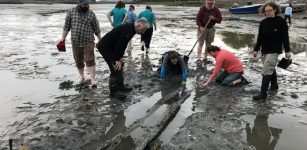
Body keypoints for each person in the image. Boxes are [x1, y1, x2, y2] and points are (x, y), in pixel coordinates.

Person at [97, 18, 149, 100]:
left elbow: (123, 44)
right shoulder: (129, 29)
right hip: (105, 47)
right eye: (143, 30)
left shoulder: (132, 29)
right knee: (115, 67)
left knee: (121, 64)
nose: (143, 32)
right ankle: (113, 93)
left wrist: (120, 57)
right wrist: (117, 59)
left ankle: (121, 86)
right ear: (138, 25)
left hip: (112, 47)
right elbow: (120, 44)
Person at [252, 2, 291, 101]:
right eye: (266, 11)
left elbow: (285, 37)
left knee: (266, 71)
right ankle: (274, 85)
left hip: (275, 50)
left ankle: (263, 94)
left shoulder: (281, 21)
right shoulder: (263, 23)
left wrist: (287, 50)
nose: (268, 12)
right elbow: (260, 38)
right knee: (270, 68)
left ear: (275, 10)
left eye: (270, 10)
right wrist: (256, 49)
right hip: (264, 50)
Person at [61, 0, 101, 87]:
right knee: (78, 60)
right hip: (75, 41)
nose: (87, 6)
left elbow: (96, 28)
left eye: (88, 4)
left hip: (88, 41)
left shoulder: (91, 14)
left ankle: (93, 79)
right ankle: (82, 76)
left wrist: (100, 39)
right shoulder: (71, 12)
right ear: (79, 3)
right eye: (85, 4)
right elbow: (66, 27)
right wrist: (63, 39)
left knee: (89, 59)